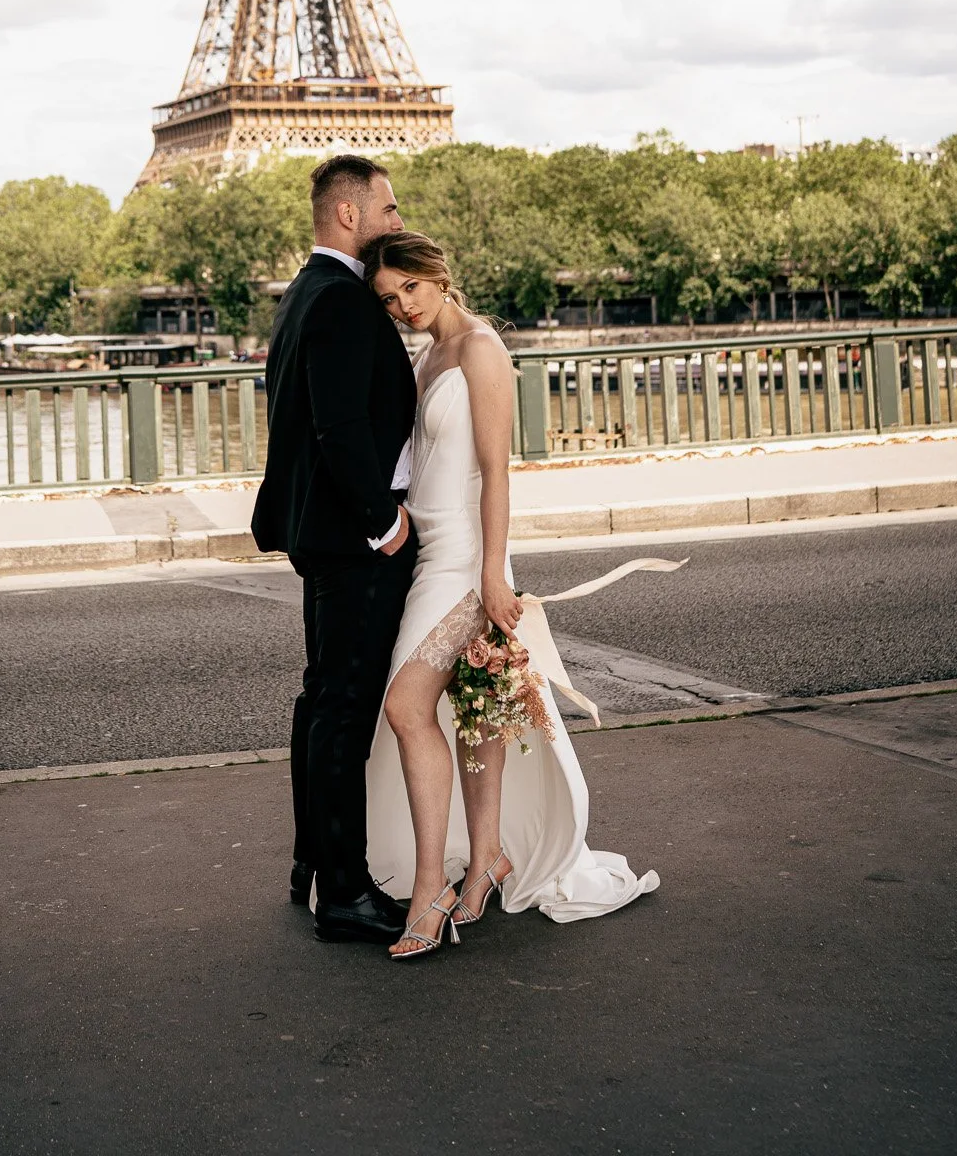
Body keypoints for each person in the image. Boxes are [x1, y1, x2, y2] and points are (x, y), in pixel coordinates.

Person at [361, 230, 660, 959]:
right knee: (472, 708)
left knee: (406, 706)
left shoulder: (482, 351)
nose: (402, 306)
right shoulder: (429, 351)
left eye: (410, 288)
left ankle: (432, 881)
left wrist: (493, 575)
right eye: (388, 298)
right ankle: (486, 860)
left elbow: (496, 473)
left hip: (466, 561)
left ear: (439, 275)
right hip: (431, 555)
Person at [250, 154, 416, 944]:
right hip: (353, 543)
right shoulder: (344, 301)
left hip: (314, 532)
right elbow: (340, 427)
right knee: (344, 709)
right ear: (348, 214)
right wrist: (382, 523)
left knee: (321, 702)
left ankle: (312, 863)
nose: (395, 217)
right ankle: (344, 892)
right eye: (386, 206)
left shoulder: (302, 293)